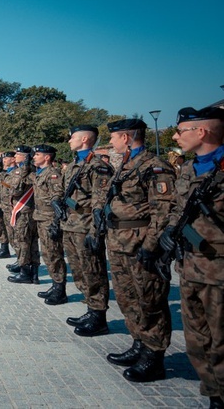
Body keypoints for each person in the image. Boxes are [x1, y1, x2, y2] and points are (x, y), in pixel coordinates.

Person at [98, 118, 175, 383]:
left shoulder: (154, 166)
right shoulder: (126, 165)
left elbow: (163, 211)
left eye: (114, 137)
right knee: (127, 297)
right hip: (119, 241)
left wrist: (152, 246)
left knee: (150, 299)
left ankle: (154, 356)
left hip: (141, 242)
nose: (110, 141)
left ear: (128, 137)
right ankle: (139, 343)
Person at [167, 106, 224, 407]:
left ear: (200, 132)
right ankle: (213, 391)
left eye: (180, 131)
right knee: (196, 338)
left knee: (221, 339)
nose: (175, 137)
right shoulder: (189, 169)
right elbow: (177, 210)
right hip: (189, 264)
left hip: (218, 270)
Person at [61, 125, 112, 337]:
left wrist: (95, 231)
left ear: (84, 140)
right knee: (79, 270)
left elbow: (100, 200)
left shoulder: (97, 166)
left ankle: (99, 316)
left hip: (85, 226)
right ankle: (90, 309)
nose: (69, 141)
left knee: (94, 271)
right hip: (71, 225)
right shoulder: (76, 165)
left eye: (72, 137)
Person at [31, 144, 69, 305]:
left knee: (54, 254)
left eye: (37, 154)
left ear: (47, 157)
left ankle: (60, 289)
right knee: (47, 253)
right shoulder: (40, 174)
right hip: (41, 217)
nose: (34, 156)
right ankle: (55, 285)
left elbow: (57, 196)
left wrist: (56, 222)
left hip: (50, 218)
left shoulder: (53, 174)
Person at [6, 146, 40, 284]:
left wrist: (23, 169)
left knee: (23, 242)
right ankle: (34, 274)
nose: (15, 157)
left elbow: (15, 190)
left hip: (24, 212)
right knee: (31, 243)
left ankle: (25, 272)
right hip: (27, 211)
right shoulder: (28, 170)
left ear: (26, 157)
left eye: (18, 154)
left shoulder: (25, 171)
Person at [0, 152, 17, 259]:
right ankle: (18, 259)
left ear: (13, 159)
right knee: (5, 230)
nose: (4, 160)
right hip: (4, 206)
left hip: (13, 208)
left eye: (6, 158)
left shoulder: (16, 173)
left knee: (15, 236)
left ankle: (22, 261)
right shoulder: (6, 173)